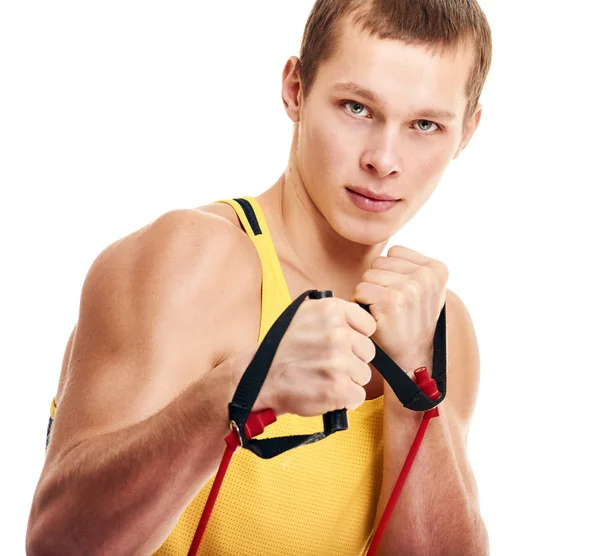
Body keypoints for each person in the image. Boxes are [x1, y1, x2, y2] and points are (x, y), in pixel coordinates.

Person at [26, 0, 493, 554]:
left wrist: (415, 389)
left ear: (465, 132)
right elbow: (57, 542)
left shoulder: (440, 326)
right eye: (356, 107)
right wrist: (241, 390)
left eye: (425, 124)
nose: (384, 159)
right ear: (296, 90)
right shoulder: (191, 259)